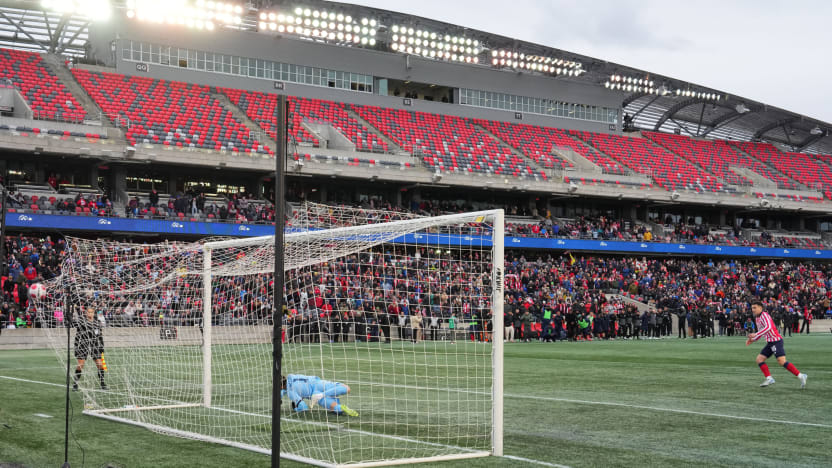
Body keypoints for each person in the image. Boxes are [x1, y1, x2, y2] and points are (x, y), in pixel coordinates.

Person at [745, 301, 807, 389]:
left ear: (760, 308)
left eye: (755, 308)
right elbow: (761, 333)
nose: (753, 310)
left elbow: (768, 327)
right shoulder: (757, 318)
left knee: (781, 361)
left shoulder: (764, 315)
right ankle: (769, 378)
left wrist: (756, 334)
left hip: (776, 341)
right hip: (770, 343)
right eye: (752, 308)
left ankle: (801, 376)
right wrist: (753, 339)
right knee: (759, 359)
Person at [281, 374, 358, 416]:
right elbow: (284, 390)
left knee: (337, 409)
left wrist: (296, 408)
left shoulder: (290, 392)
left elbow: (304, 407)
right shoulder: (292, 377)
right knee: (347, 388)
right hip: (320, 383)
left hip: (315, 394)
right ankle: (323, 395)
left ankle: (339, 407)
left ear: (280, 386)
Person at [73, 306, 108, 391]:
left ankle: (102, 383)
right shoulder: (82, 321)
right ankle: (75, 384)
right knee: (80, 365)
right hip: (83, 344)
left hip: (94, 345)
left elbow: (100, 335)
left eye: (92, 312)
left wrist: (101, 346)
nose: (90, 313)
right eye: (88, 312)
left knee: (100, 364)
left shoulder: (97, 323)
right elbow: (75, 326)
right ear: (86, 313)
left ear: (94, 313)